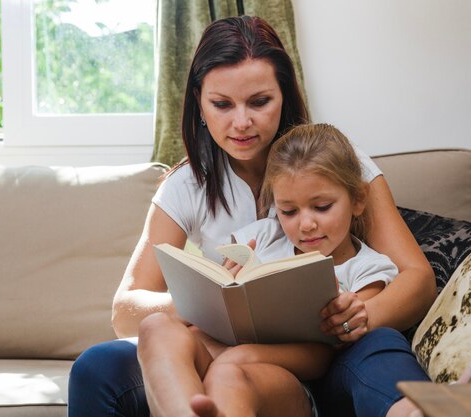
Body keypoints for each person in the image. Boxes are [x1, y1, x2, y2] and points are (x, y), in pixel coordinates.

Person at [68, 15, 436, 417]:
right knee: (98, 365)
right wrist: (206, 302)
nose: (241, 122)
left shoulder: (339, 163)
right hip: (225, 357)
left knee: (377, 344)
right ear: (200, 105)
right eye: (222, 104)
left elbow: (416, 279)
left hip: (324, 357)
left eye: (259, 102)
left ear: (285, 96)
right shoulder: (188, 185)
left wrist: (357, 317)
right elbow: (125, 311)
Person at [135, 123, 402, 417]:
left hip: (284, 382)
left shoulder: (369, 269)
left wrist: (242, 355)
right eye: (288, 211)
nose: (306, 224)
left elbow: (328, 354)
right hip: (226, 350)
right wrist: (227, 283)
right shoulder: (263, 236)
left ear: (358, 200)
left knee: (228, 373)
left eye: (322, 207)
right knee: (155, 325)